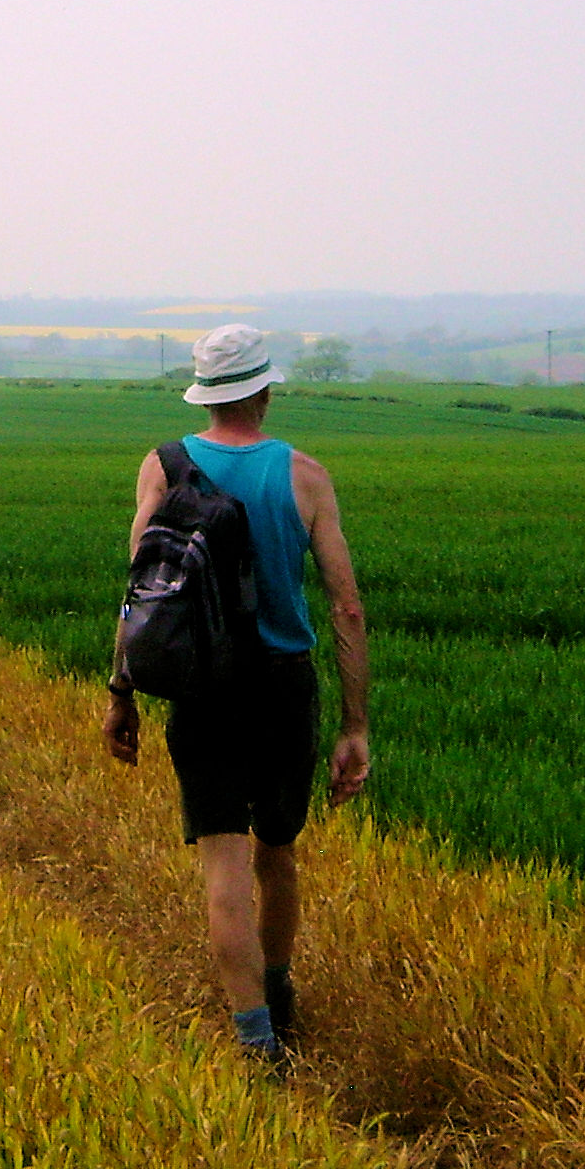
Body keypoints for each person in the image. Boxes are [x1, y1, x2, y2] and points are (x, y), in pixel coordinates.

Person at [104, 322, 371, 1067]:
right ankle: (280, 1000)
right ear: (264, 390)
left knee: (223, 867)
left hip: (201, 690)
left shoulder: (164, 467)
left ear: (206, 393)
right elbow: (346, 607)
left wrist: (121, 691)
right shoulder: (306, 475)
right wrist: (355, 725)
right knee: (276, 855)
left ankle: (256, 1047)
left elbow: (140, 594)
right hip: (283, 687)